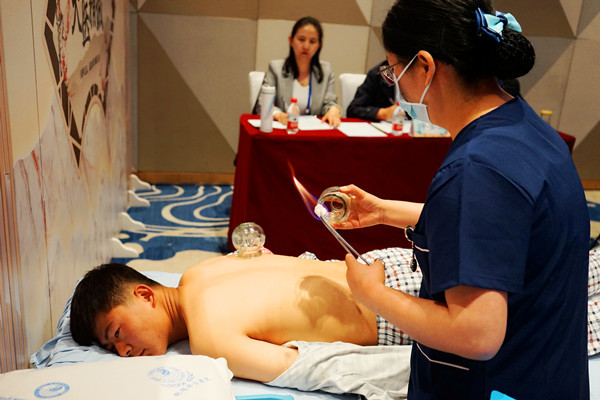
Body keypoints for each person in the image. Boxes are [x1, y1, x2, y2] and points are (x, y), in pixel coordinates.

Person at [332, 1, 590, 399]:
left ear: (425, 66)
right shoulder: (522, 125)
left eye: (393, 70)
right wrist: (383, 210)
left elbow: (476, 333)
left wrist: (374, 295)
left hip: (497, 385)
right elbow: (501, 225)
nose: (394, 84)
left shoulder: (477, 168)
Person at [70, 250, 416, 383]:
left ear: (145, 295)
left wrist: (418, 368)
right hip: (384, 262)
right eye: (112, 349)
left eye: (116, 333)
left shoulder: (209, 339)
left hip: (395, 310)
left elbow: (313, 367)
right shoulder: (200, 270)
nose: (124, 352)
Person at [253, 16, 342, 127]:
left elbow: (329, 103)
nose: (306, 46)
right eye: (301, 39)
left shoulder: (326, 71)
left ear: (319, 45)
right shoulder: (276, 68)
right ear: (291, 40)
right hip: (285, 130)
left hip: (313, 132)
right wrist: (279, 115)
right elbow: (263, 103)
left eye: (312, 41)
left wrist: (334, 109)